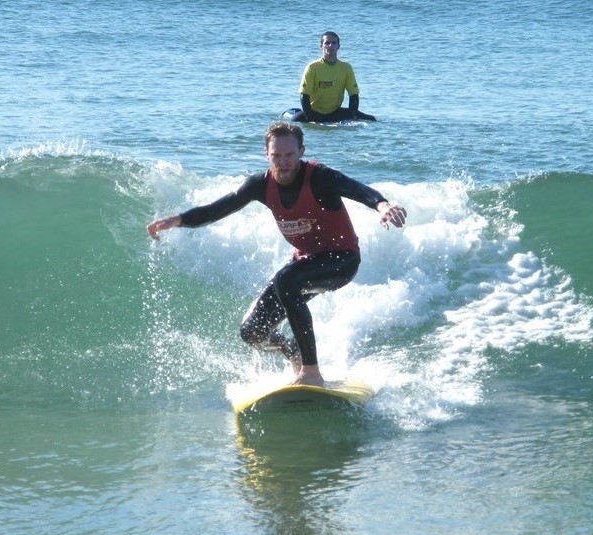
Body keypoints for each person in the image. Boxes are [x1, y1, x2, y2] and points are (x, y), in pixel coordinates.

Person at [147, 121, 407, 386]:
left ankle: (311, 372)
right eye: (276, 155)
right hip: (304, 262)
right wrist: (177, 220)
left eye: (289, 154)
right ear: (266, 154)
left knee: (287, 280)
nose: (283, 162)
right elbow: (217, 209)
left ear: (301, 151)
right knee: (252, 332)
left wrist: (382, 205)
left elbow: (357, 189)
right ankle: (292, 351)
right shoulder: (260, 184)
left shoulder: (319, 177)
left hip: (342, 260)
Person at [290, 31, 377, 124]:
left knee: (372, 119)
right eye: (327, 43)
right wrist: (310, 118)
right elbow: (304, 95)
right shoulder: (312, 67)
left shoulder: (346, 68)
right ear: (321, 46)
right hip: (314, 112)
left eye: (334, 43)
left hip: (336, 112)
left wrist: (352, 117)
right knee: (294, 121)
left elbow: (354, 95)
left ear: (338, 46)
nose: (330, 45)